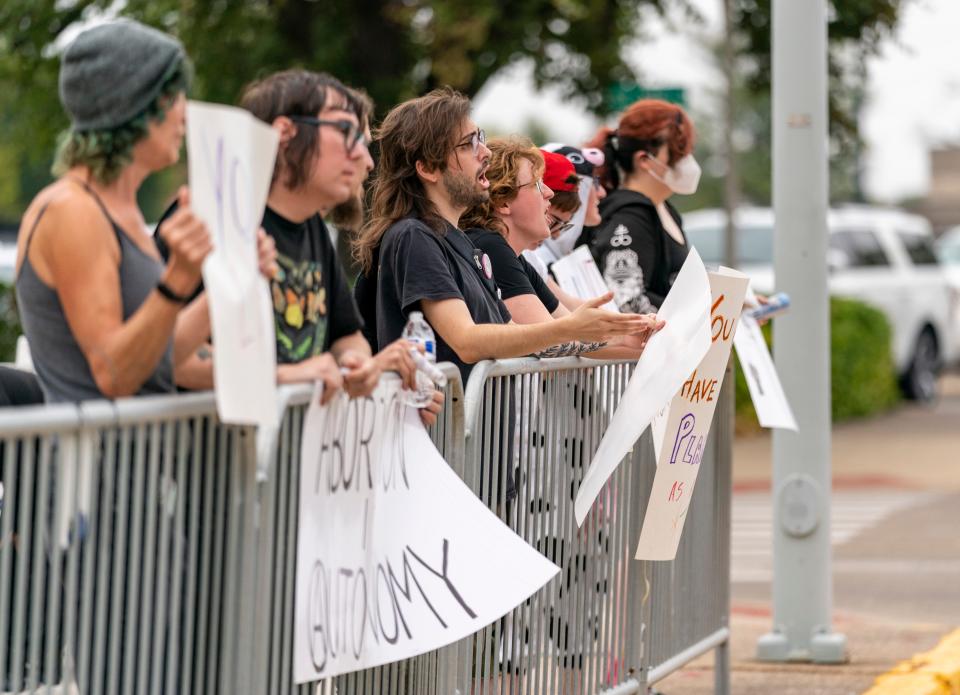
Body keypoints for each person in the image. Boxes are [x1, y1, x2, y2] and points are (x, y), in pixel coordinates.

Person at [14, 20, 273, 403]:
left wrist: (236, 275)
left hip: (137, 458)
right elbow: (114, 373)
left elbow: (160, 355)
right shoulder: (72, 211)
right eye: (174, 96)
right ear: (134, 105)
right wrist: (179, 278)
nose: (185, 114)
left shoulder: (121, 209)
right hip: (92, 460)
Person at [160, 71, 438, 419]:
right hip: (214, 465)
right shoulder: (209, 216)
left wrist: (357, 365)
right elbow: (164, 356)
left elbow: (346, 335)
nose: (365, 160)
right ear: (285, 133)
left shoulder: (313, 229)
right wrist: (279, 377)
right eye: (345, 132)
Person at [353, 87, 653, 386]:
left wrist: (623, 335)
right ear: (429, 168)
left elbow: (517, 335)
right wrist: (569, 329)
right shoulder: (413, 236)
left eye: (480, 138)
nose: (484, 152)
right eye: (468, 144)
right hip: (437, 431)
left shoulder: (462, 244)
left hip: (470, 431)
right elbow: (467, 340)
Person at [459, 137, 661, 357]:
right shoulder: (490, 245)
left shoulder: (513, 256)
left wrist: (629, 336)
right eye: (536, 184)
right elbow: (551, 340)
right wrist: (623, 336)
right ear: (502, 202)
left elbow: (563, 330)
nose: (549, 193)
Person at [582, 99, 701, 314]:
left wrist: (727, 303)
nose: (686, 161)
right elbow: (626, 300)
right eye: (678, 152)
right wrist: (697, 318)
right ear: (644, 159)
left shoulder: (664, 210)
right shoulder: (630, 216)